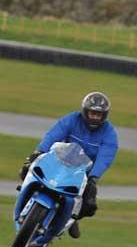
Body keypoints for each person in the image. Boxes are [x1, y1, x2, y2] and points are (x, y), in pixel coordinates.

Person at [19, 92, 118, 238]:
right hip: (60, 161)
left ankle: (73, 219)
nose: (94, 117)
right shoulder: (72, 119)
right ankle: (28, 197)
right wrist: (39, 152)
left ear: (104, 116)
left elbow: (106, 156)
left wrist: (93, 177)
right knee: (28, 170)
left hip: (84, 171)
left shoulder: (109, 133)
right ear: (85, 111)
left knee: (89, 204)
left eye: (98, 115)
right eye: (92, 113)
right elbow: (54, 134)